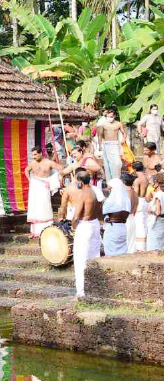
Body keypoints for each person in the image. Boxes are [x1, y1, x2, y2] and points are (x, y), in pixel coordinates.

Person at [71, 169, 102, 297]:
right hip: (95, 224)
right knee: (94, 257)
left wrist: (73, 226)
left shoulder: (83, 194)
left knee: (81, 259)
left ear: (80, 182)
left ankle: (82, 292)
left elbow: (77, 216)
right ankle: (95, 288)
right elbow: (100, 210)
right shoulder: (94, 191)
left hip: (85, 226)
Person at [25, 147, 63, 238]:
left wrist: (58, 177)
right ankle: (34, 231)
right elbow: (26, 170)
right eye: (33, 155)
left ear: (41, 153)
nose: (33, 157)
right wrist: (29, 179)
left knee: (44, 207)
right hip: (34, 185)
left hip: (44, 185)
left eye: (35, 154)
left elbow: (61, 168)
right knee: (34, 208)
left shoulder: (48, 162)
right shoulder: (33, 163)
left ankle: (47, 229)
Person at [102, 177, 132, 256]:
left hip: (113, 227)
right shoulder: (126, 200)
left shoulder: (111, 200)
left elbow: (104, 211)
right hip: (122, 227)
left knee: (110, 253)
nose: (109, 190)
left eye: (110, 188)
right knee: (122, 253)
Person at [97, 108, 126, 181]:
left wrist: (124, 139)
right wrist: (100, 145)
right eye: (108, 116)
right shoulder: (103, 124)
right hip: (106, 144)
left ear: (114, 116)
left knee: (118, 163)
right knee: (108, 165)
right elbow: (100, 135)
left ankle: (117, 179)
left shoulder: (118, 124)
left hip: (116, 144)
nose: (110, 118)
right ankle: (109, 182)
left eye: (111, 116)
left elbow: (124, 133)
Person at [131, 161, 151, 252]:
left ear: (134, 169)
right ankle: (145, 245)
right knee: (144, 223)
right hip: (145, 202)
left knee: (139, 224)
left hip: (139, 202)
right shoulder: (146, 178)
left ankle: (140, 247)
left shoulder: (137, 180)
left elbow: (135, 194)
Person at [148, 174, 164, 250]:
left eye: (152, 183)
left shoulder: (158, 195)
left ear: (157, 184)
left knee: (154, 245)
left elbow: (158, 212)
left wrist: (151, 211)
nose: (151, 185)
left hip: (157, 222)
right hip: (161, 222)